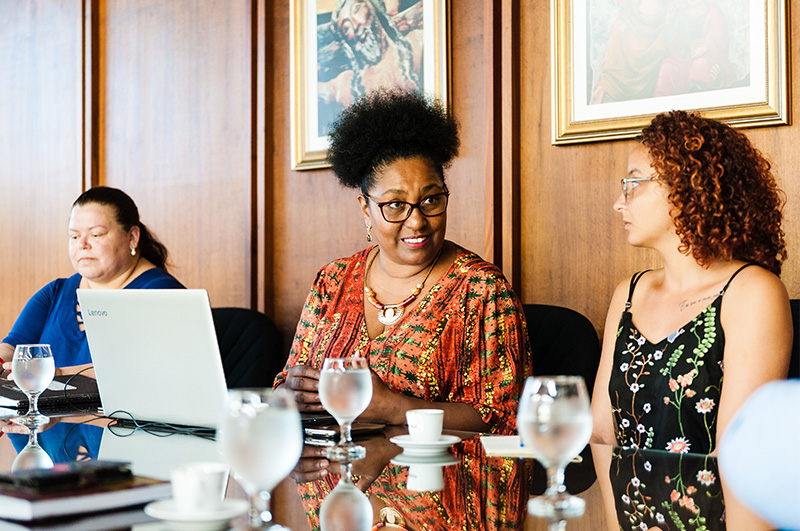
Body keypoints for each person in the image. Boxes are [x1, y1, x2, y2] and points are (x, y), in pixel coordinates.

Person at [276, 89, 530, 465]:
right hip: (335, 495)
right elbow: (285, 383)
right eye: (395, 204)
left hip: (440, 493)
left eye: (431, 199)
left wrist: (396, 408)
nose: (416, 220)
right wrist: (289, 395)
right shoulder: (331, 281)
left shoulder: (481, 291)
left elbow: (505, 418)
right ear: (365, 207)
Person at [591, 110, 792, 455]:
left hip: (712, 507)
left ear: (686, 187)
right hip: (625, 506)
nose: (619, 203)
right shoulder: (629, 292)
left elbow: (734, 455)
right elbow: (601, 440)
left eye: (633, 183)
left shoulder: (753, 292)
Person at [1, 186, 184, 375]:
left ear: (132, 237)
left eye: (96, 235)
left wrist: (57, 374)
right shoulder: (56, 292)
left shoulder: (164, 294)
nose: (82, 244)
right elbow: (13, 346)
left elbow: (139, 371)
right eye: (74, 236)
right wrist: (2, 362)